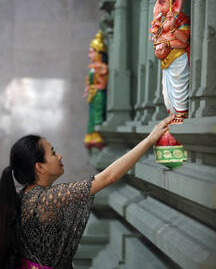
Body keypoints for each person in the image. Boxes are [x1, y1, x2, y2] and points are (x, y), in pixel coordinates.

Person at [0, 115, 173, 269]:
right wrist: (150, 139)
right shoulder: (45, 200)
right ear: (39, 167)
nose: (59, 156)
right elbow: (108, 178)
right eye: (52, 153)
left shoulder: (23, 194)